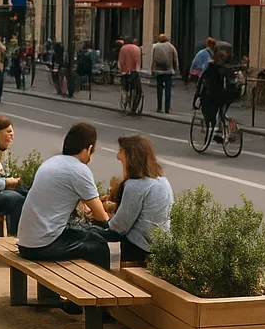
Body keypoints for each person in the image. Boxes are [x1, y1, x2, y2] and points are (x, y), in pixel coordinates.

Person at [17, 123, 111, 288]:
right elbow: (102, 217)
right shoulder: (79, 170)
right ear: (88, 149)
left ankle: (58, 297)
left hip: (26, 242)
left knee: (84, 235)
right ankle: (99, 306)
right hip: (44, 245)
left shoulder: (51, 162)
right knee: (99, 246)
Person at [100, 135, 173, 264]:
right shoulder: (163, 181)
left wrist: (100, 223)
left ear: (131, 158)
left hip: (139, 248)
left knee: (86, 246)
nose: (117, 156)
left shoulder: (135, 185)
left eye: (121, 152)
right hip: (159, 247)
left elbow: (119, 227)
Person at [195, 41, 240, 130]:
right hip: (229, 93)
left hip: (214, 94)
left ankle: (217, 128)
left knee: (211, 109)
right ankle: (225, 123)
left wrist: (198, 94)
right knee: (222, 110)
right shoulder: (229, 67)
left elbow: (204, 80)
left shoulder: (211, 66)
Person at [151, 34, 179, 113]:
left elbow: (154, 59)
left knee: (159, 90)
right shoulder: (171, 46)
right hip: (168, 71)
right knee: (168, 90)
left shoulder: (156, 47)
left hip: (158, 71)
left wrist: (152, 69)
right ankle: (167, 108)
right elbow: (175, 58)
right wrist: (176, 68)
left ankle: (159, 107)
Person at [118, 37, 142, 110]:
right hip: (135, 71)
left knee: (125, 87)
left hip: (125, 72)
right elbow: (139, 61)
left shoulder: (123, 48)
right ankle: (134, 107)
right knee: (138, 90)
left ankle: (125, 99)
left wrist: (120, 68)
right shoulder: (137, 48)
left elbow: (121, 61)